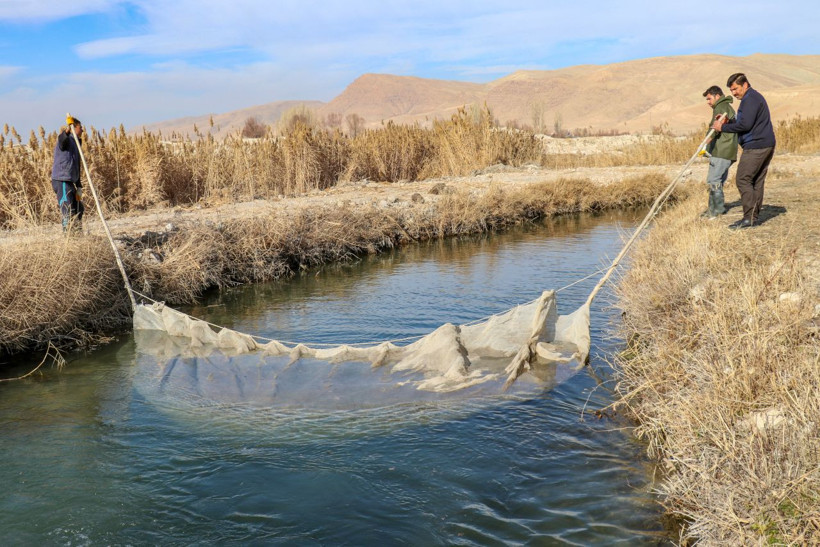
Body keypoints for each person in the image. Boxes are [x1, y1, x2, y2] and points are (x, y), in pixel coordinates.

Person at [711, 73, 776, 229]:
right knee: (756, 181)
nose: (733, 93)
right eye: (731, 90)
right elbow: (744, 122)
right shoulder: (751, 98)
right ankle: (752, 217)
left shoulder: (750, 99)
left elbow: (745, 126)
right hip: (764, 143)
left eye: (735, 89)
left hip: (757, 146)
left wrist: (722, 127)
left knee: (742, 179)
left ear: (745, 84)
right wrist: (729, 121)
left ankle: (748, 218)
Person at [700, 85, 737, 218]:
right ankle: (712, 211)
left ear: (717, 96)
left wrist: (704, 143)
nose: (708, 102)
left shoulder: (721, 108)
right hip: (726, 150)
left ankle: (717, 211)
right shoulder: (725, 106)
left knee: (714, 180)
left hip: (722, 150)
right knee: (716, 180)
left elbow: (715, 128)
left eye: (709, 99)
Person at [51, 115, 85, 232]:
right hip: (62, 180)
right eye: (80, 127)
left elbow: (76, 164)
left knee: (79, 209)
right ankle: (68, 238)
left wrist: (79, 184)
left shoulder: (76, 143)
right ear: (73, 128)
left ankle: (77, 233)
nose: (82, 130)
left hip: (71, 181)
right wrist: (67, 130)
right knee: (67, 209)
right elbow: (62, 140)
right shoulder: (67, 139)